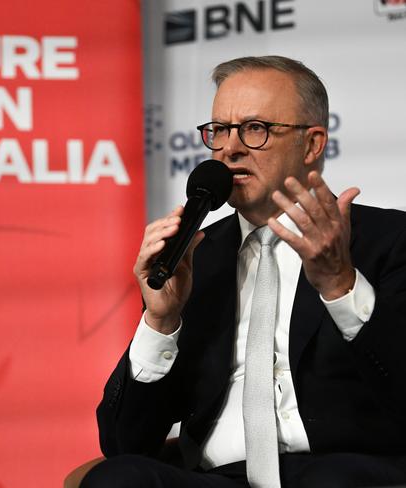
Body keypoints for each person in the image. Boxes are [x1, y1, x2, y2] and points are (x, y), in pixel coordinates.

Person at [81, 56, 406, 488]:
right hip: (223, 478)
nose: (229, 148)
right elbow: (123, 442)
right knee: (119, 478)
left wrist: (340, 284)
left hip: (344, 468)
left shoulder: (388, 239)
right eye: (219, 131)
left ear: (311, 144)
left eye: (256, 129)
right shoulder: (196, 257)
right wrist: (160, 322)